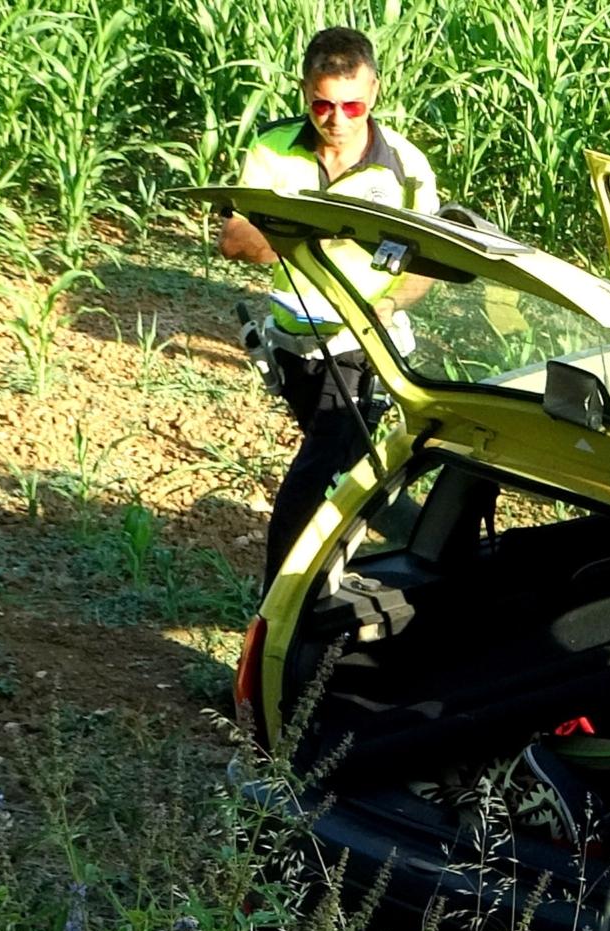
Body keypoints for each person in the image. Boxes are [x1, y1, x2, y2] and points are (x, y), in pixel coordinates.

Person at [218, 26, 442, 580]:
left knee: (314, 477)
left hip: (364, 348)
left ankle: (276, 610)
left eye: (351, 104)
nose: (336, 117)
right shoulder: (272, 147)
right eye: (321, 103)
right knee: (352, 472)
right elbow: (236, 241)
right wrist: (331, 231)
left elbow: (426, 267)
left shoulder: (407, 169)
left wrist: (386, 307)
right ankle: (433, 545)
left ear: (375, 93)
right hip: (292, 344)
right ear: (303, 93)